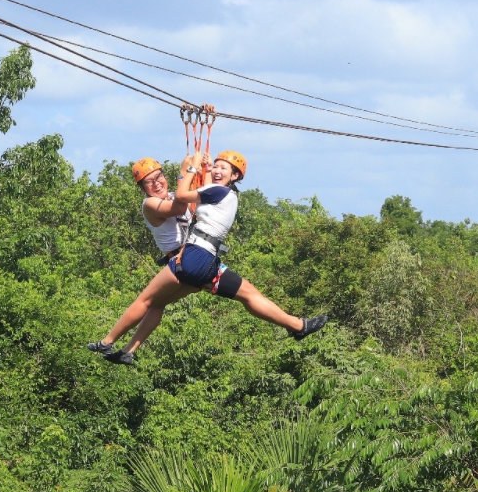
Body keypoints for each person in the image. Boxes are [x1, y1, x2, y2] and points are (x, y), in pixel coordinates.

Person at [88, 150, 327, 365]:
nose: (157, 183)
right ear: (143, 188)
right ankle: (124, 348)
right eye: (150, 182)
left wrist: (201, 164)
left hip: (194, 260)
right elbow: (180, 207)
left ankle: (297, 325)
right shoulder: (150, 204)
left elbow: (201, 191)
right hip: (189, 260)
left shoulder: (177, 194)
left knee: (244, 294)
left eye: (159, 177)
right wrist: (187, 171)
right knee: (154, 303)